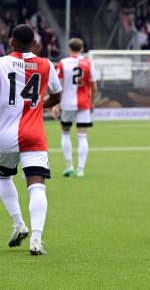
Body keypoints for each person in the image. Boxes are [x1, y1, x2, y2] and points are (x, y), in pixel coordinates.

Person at [0, 24, 62, 255]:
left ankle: (18, 223)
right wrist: (35, 106)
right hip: (33, 134)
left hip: (5, 135)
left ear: (12, 42)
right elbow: (56, 96)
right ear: (34, 43)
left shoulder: (1, 64)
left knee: (3, 177)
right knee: (36, 187)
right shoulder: (46, 64)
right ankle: (36, 240)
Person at [52, 38, 97, 177]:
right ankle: (81, 169)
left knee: (65, 133)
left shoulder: (63, 63)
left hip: (67, 104)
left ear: (69, 48)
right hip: (83, 104)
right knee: (82, 136)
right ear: (82, 48)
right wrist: (92, 102)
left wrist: (56, 104)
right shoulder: (89, 64)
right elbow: (94, 87)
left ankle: (69, 165)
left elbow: (57, 85)